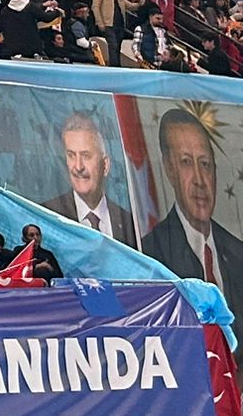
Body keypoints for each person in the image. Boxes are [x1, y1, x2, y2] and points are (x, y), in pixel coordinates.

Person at [143, 108, 243, 315]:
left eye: (205, 164)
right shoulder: (150, 253)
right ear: (169, 169)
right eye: (186, 162)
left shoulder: (238, 252)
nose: (200, 180)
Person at [39, 108, 136, 245]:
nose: (78, 167)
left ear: (105, 165)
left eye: (86, 156)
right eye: (71, 155)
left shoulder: (129, 224)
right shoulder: (47, 218)